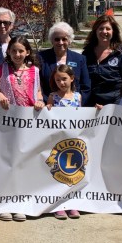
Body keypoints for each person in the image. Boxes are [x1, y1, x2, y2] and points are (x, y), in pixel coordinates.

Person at [0, 35, 44, 221]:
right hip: (7, 122)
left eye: (21, 51)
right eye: (14, 51)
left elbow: (37, 91)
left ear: (27, 52)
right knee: (7, 161)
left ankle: (21, 202)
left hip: (28, 122)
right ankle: (5, 202)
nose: (17, 54)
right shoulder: (2, 69)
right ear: (8, 52)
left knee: (25, 161)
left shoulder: (34, 71)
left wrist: (40, 100)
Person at [46, 64, 82, 220]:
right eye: (58, 80)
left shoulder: (78, 97)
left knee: (72, 173)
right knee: (57, 173)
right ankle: (58, 206)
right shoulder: (53, 97)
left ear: (72, 78)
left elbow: (82, 116)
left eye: (64, 79)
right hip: (57, 142)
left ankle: (72, 203)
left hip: (73, 142)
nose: (61, 83)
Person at [82, 14, 122, 107]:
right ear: (95, 31)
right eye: (100, 28)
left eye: (108, 29)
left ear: (113, 32)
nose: (104, 31)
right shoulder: (86, 54)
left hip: (115, 106)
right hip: (91, 106)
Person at [38, 22, 90, 104]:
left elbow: (86, 86)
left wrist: (78, 104)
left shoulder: (79, 59)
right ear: (52, 41)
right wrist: (46, 102)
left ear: (69, 41)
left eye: (64, 39)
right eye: (57, 39)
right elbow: (38, 84)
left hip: (74, 107)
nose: (61, 42)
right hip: (48, 108)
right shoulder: (41, 58)